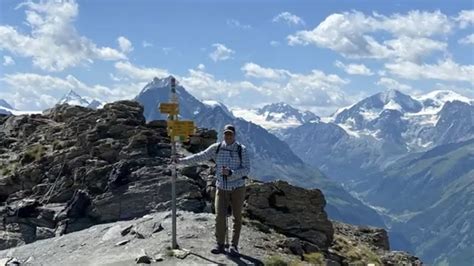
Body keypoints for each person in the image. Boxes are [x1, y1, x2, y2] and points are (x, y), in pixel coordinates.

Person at [177, 124, 250, 256]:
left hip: (238, 188)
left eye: (230, 134)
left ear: (234, 135)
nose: (228, 136)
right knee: (219, 216)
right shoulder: (216, 148)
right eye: (226, 134)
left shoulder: (241, 149)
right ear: (223, 134)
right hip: (221, 187)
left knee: (237, 217)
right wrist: (180, 161)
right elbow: (199, 156)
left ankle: (234, 246)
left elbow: (246, 169)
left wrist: (231, 173)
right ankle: (220, 244)